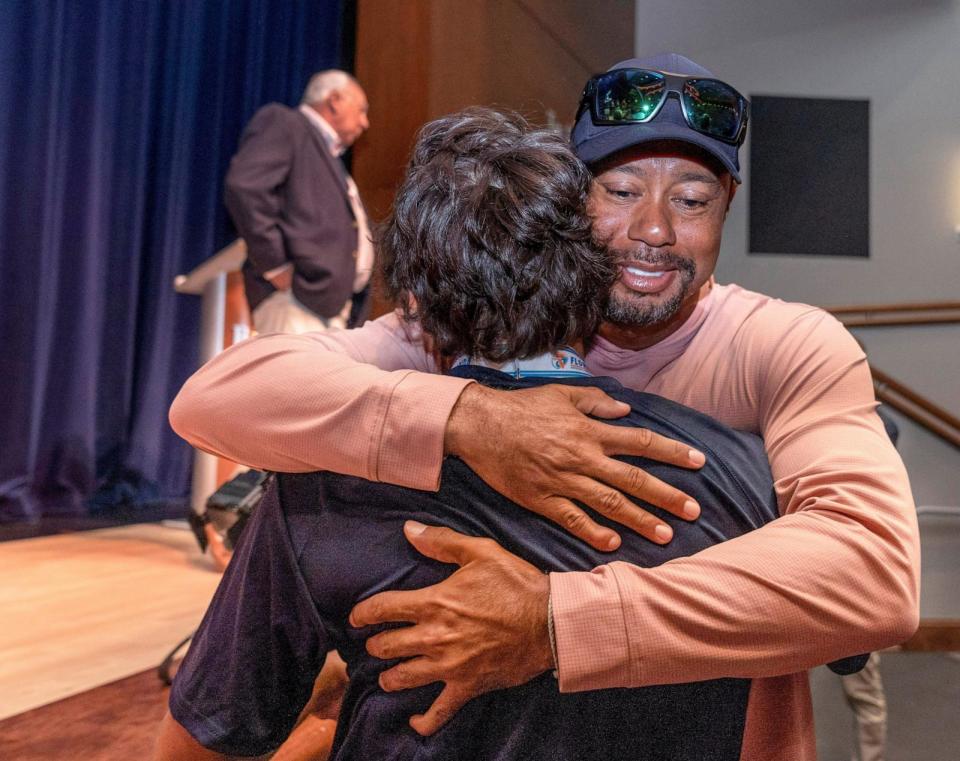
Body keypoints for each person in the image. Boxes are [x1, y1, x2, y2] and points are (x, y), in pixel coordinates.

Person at [169, 54, 920, 760]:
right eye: (621, 192)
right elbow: (216, 397)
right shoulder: (488, 321)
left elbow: (875, 575)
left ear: (728, 204)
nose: (654, 230)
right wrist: (467, 417)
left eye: (690, 200)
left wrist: (555, 620)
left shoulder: (787, 345)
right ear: (566, 200)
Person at [225, 69, 373, 334]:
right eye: (361, 110)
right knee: (297, 377)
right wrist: (275, 265)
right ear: (335, 100)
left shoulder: (329, 157)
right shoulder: (286, 124)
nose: (365, 123)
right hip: (294, 302)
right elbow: (245, 188)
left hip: (327, 309)